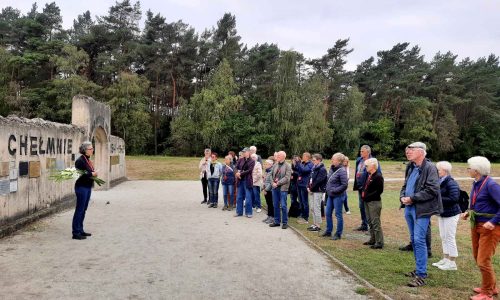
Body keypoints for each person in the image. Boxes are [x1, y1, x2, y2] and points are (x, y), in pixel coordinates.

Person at [400, 142, 442, 287]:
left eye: (411, 149)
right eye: (407, 149)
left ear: (422, 152)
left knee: (419, 240)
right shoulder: (411, 167)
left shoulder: (430, 168)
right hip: (409, 208)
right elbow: (405, 185)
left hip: (422, 209)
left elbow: (432, 189)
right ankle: (418, 269)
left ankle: (421, 274)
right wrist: (403, 196)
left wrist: (412, 198)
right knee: (414, 239)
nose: (408, 152)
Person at [461, 156, 500, 300]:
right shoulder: (476, 183)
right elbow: (478, 202)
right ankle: (491, 286)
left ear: (476, 171)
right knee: (478, 257)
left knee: (483, 260)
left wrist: (494, 221)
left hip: (490, 228)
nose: (467, 170)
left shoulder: (491, 185)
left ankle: (487, 293)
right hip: (476, 224)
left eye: (469, 168)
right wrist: (469, 212)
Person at [431, 161, 461, 271]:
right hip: (443, 213)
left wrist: (437, 199)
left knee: (449, 237)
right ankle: (446, 259)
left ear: (445, 171)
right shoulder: (440, 181)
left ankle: (452, 262)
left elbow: (454, 199)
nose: (437, 172)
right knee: (443, 236)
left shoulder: (451, 183)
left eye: (438, 170)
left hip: (451, 214)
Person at [72, 141, 97, 240]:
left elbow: (88, 171)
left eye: (92, 148)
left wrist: (93, 173)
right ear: (85, 150)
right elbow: (81, 174)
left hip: (87, 187)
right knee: (79, 209)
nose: (92, 150)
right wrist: (92, 174)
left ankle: (80, 230)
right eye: (91, 149)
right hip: (81, 187)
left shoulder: (87, 159)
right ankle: (76, 232)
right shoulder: (80, 161)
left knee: (84, 209)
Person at [353, 145, 380, 231]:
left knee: (369, 207)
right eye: (360, 151)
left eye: (362, 151)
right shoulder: (359, 160)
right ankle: (364, 224)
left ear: (368, 152)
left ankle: (371, 226)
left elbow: (378, 173)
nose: (360, 153)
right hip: (360, 187)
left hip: (368, 188)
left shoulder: (373, 161)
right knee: (361, 206)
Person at [322, 153, 348, 240]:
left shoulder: (342, 170)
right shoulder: (332, 168)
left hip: (338, 196)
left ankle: (338, 233)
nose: (331, 160)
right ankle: (329, 231)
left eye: (333, 159)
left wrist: (334, 190)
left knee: (338, 214)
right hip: (330, 195)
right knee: (328, 213)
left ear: (339, 161)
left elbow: (344, 185)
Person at [361, 158, 384, 249]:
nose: (365, 167)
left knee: (375, 222)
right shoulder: (369, 175)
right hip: (367, 202)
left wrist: (367, 196)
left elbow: (379, 191)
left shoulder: (378, 176)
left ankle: (379, 242)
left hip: (374, 202)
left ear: (373, 166)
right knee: (370, 221)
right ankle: (373, 239)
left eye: (367, 165)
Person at [269, 151, 292, 229]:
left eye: (279, 155)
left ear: (283, 157)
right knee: (275, 205)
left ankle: (285, 222)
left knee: (283, 205)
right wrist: (272, 183)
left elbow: (287, 178)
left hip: (283, 188)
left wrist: (277, 183)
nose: (277, 156)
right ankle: (277, 221)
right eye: (277, 155)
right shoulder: (275, 164)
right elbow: (271, 175)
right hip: (274, 188)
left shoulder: (288, 166)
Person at [307, 154, 327, 232]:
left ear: (319, 160)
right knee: (312, 207)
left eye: (314, 160)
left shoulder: (322, 169)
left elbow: (318, 181)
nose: (313, 161)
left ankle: (318, 225)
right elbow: (310, 178)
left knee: (316, 207)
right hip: (311, 190)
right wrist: (308, 186)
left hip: (318, 190)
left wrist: (311, 188)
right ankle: (314, 224)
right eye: (312, 160)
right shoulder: (313, 167)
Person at [235, 148, 255, 218]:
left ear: (249, 152)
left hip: (247, 181)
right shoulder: (240, 160)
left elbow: (249, 170)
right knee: (239, 197)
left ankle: (249, 212)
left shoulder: (252, 161)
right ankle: (239, 212)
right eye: (243, 152)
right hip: (240, 180)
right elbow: (236, 167)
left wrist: (240, 174)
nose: (243, 153)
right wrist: (237, 173)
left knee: (248, 197)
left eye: (245, 152)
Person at [296, 152, 313, 224]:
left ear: (307, 157)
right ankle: (302, 215)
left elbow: (304, 170)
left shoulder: (310, 164)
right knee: (301, 201)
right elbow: (298, 170)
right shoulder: (303, 163)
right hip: (299, 183)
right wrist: (297, 163)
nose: (302, 157)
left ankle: (306, 217)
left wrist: (299, 163)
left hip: (304, 185)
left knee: (304, 201)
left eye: (303, 156)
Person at [262, 159, 275, 224]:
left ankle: (272, 217)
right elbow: (264, 181)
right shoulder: (266, 171)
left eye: (266, 164)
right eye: (265, 164)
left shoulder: (271, 171)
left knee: (271, 204)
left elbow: (271, 182)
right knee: (268, 203)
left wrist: (266, 190)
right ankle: (269, 216)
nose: (265, 165)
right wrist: (263, 189)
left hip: (270, 190)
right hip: (265, 190)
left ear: (270, 165)